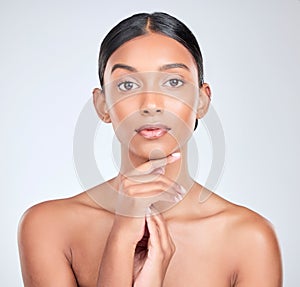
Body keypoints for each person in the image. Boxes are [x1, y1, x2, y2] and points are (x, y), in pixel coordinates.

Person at [18, 12, 282, 287]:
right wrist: (120, 240)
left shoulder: (250, 239)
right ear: (102, 105)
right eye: (127, 85)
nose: (151, 104)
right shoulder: (48, 228)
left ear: (202, 101)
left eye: (173, 82)